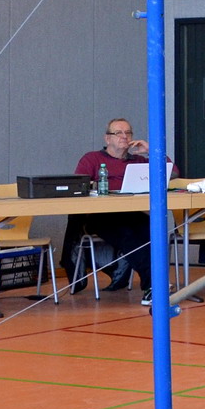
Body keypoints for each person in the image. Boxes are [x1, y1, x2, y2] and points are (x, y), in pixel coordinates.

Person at [65, 118, 176, 304]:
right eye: (118, 133)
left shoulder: (139, 161)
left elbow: (173, 173)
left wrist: (151, 151)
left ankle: (155, 287)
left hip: (131, 213)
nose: (124, 136)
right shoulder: (92, 159)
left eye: (128, 133)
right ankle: (154, 287)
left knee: (153, 231)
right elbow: (78, 187)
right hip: (101, 216)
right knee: (128, 236)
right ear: (107, 138)